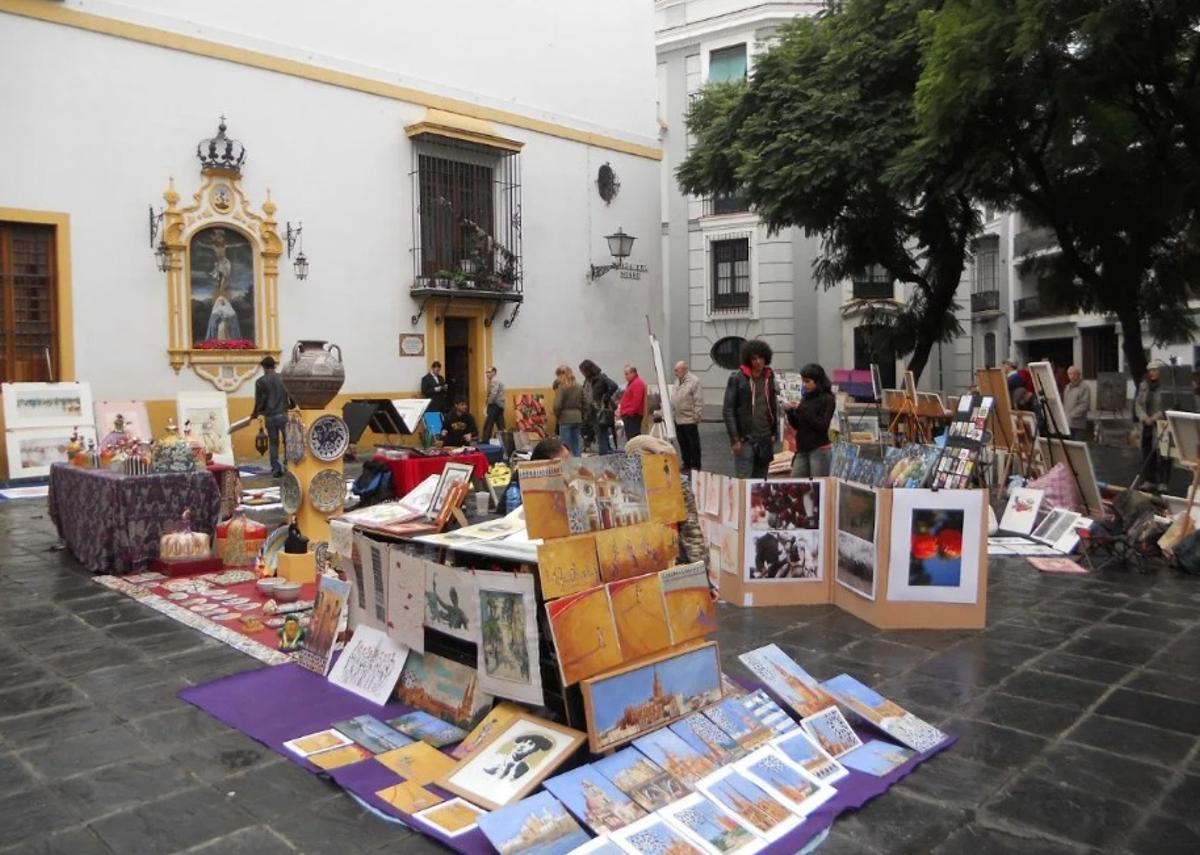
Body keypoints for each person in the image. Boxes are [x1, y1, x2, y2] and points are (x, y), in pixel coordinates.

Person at [624, 435, 709, 583]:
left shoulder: (677, 485)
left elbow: (691, 531)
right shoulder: (627, 488)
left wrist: (702, 575)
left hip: (672, 564)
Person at [722, 339, 779, 478]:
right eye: (754, 358)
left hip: (765, 437)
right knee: (744, 480)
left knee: (761, 480)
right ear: (748, 360)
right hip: (745, 439)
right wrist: (734, 439)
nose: (758, 361)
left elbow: (772, 405)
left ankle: (758, 501)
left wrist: (773, 431)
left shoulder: (769, 377)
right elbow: (728, 410)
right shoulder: (737, 378)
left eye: (761, 357)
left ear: (766, 358)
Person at [785, 363, 836, 477]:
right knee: (795, 481)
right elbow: (798, 425)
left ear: (817, 381)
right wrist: (790, 412)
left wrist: (802, 410)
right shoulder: (806, 397)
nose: (805, 385)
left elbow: (822, 425)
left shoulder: (827, 399)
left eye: (807, 381)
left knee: (818, 486)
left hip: (819, 449)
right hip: (802, 448)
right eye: (803, 381)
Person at [250, 355, 290, 477]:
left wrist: (255, 413)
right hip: (283, 414)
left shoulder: (260, 382)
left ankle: (276, 469)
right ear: (274, 366)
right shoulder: (283, 378)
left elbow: (259, 401)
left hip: (270, 416)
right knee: (288, 441)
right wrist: (291, 404)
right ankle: (289, 465)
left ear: (264, 367)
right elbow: (290, 394)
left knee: (273, 443)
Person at [1135, 359, 1171, 489]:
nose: (1152, 373)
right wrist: (1144, 417)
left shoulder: (1167, 386)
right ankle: (1149, 480)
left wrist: (1155, 417)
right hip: (1147, 424)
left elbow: (1168, 405)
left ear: (1161, 371)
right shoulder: (1144, 385)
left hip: (1162, 423)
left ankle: (1163, 482)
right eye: (1150, 370)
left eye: (1154, 370)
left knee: (1164, 452)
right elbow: (1138, 403)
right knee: (1147, 451)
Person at [580, 359, 619, 454]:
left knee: (602, 436)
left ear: (588, 370)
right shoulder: (587, 381)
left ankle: (604, 455)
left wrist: (605, 397)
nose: (582, 373)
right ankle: (606, 452)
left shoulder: (601, 378)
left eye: (583, 371)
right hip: (591, 412)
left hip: (600, 411)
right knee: (600, 436)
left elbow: (614, 386)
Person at [671, 361, 704, 472]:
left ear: (684, 369)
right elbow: (674, 399)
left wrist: (696, 416)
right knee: (683, 443)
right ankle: (686, 464)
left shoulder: (694, 381)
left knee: (693, 444)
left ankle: (695, 465)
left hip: (689, 419)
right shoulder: (677, 382)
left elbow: (698, 399)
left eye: (677, 370)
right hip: (678, 419)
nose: (675, 372)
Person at [553, 364, 584, 456]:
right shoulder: (579, 387)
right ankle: (579, 465)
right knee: (576, 445)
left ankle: (568, 467)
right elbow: (585, 402)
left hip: (565, 419)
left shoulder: (561, 387)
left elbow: (557, 405)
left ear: (561, 375)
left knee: (565, 447)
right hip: (577, 418)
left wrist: (557, 415)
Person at [618, 364, 647, 445]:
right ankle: (634, 453)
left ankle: (635, 454)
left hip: (632, 416)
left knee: (633, 437)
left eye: (627, 374)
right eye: (625, 374)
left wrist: (629, 413)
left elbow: (636, 401)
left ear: (633, 373)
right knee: (631, 438)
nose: (625, 376)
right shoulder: (632, 383)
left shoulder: (637, 383)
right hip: (629, 415)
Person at [1063, 365, 1091, 441]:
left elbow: (1084, 405)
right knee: (1070, 446)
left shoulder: (1084, 387)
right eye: (1070, 374)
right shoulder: (1067, 387)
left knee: (1078, 446)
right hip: (1068, 423)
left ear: (1079, 374)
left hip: (1078, 424)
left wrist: (1072, 415)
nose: (1072, 376)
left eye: (1074, 373)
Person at [481, 366, 505, 444]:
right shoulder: (494, 381)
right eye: (486, 372)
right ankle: (504, 440)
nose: (487, 374)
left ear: (494, 373)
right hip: (500, 405)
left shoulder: (494, 381)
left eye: (489, 372)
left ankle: (485, 440)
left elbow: (493, 394)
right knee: (500, 424)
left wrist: (488, 403)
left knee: (489, 423)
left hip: (494, 405)